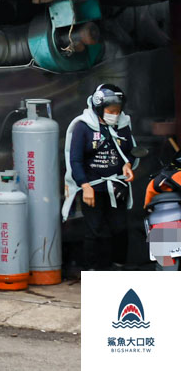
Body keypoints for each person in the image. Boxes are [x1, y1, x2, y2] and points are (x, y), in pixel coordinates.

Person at [62, 84, 137, 271]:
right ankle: (92, 270)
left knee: (120, 228)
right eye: (111, 111)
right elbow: (75, 159)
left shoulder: (123, 125)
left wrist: (128, 164)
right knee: (93, 230)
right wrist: (84, 186)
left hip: (117, 185)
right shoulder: (83, 126)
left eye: (118, 111)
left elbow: (130, 151)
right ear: (99, 107)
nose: (115, 114)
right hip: (92, 187)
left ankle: (118, 267)